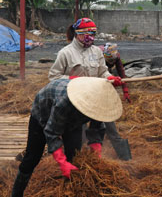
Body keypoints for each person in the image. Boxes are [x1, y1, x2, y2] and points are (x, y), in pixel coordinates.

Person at [11, 77, 123, 197]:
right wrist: (62, 162)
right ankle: (16, 193)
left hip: (73, 121)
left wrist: (96, 149)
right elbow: (51, 132)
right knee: (32, 157)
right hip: (43, 114)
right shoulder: (65, 103)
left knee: (74, 157)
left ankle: (70, 191)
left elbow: (97, 127)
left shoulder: (97, 102)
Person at [48, 18, 132, 161]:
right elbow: (53, 77)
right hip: (75, 98)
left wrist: (110, 78)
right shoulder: (65, 53)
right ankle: (74, 159)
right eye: (87, 34)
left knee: (99, 127)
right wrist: (72, 80)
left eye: (93, 34)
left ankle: (96, 159)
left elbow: (102, 72)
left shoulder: (96, 52)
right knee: (77, 131)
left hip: (95, 96)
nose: (90, 38)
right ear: (77, 34)